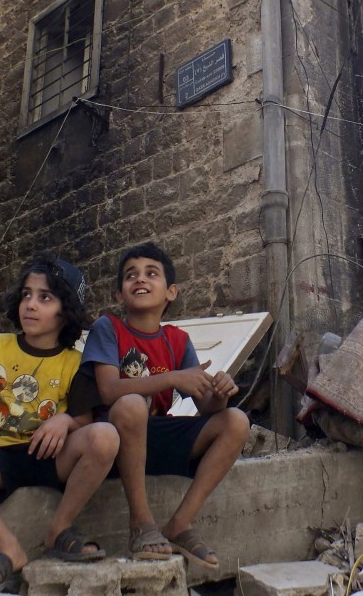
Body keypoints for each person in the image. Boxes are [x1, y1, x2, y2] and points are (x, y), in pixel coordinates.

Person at [0, 257, 119, 594]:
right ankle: (9, 550)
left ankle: (59, 529)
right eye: (26, 295)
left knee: (105, 435)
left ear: (65, 310)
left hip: (50, 457)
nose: (31, 305)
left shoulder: (76, 362)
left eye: (45, 298)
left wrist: (64, 420)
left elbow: (84, 422)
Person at [77, 242, 249, 570]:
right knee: (130, 405)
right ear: (119, 295)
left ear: (170, 292)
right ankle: (142, 523)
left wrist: (221, 392)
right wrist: (172, 379)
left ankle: (179, 525)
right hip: (112, 445)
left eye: (151, 273)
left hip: (157, 439)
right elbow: (109, 390)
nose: (140, 279)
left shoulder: (177, 340)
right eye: (131, 275)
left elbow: (208, 407)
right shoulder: (108, 328)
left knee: (236, 421)